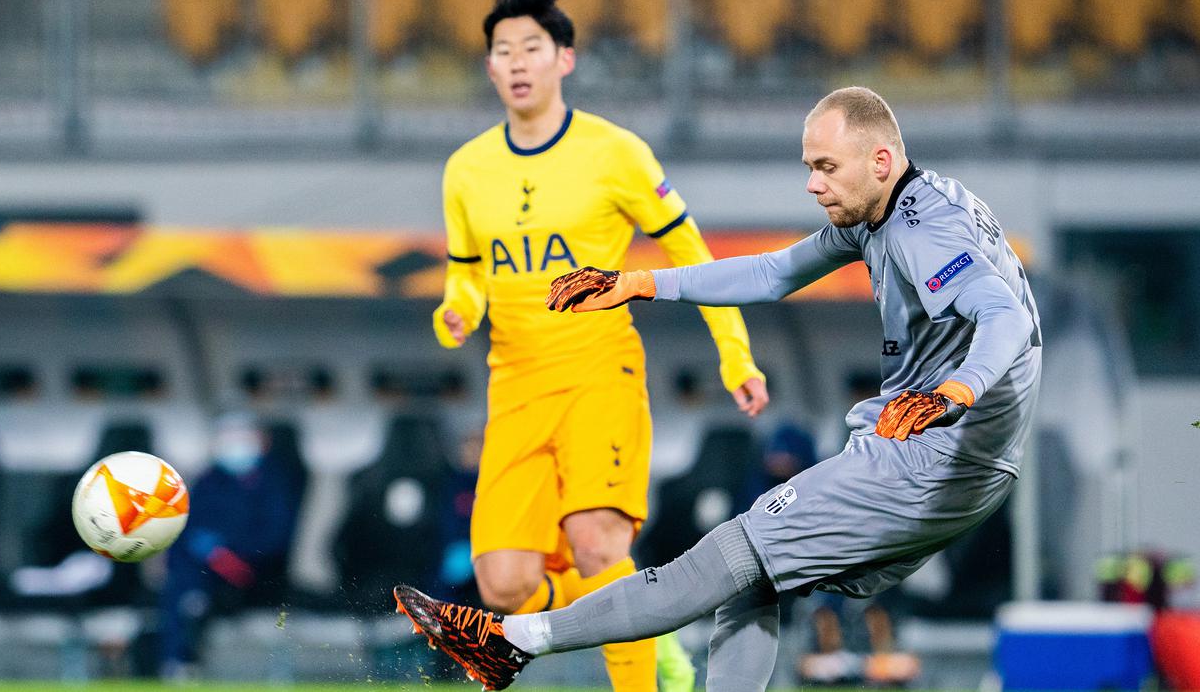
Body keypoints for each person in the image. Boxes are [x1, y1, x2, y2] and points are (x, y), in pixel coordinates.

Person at [394, 85, 1042, 692]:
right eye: (807, 166)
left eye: (824, 166)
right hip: (946, 458)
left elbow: (1004, 316)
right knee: (749, 580)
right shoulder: (898, 205)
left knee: (731, 551)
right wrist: (641, 283)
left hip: (930, 455)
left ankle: (514, 640)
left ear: (879, 159)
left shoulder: (920, 228)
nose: (812, 184)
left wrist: (954, 391)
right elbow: (773, 271)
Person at [427, 0, 768, 691]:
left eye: (531, 48)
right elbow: (466, 275)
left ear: (565, 59)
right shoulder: (465, 170)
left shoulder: (616, 153)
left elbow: (693, 257)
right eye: (502, 51)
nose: (516, 62)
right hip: (514, 387)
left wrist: (734, 352)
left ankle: (643, 677)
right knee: (503, 585)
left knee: (595, 541)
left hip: (596, 373)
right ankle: (644, 625)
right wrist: (453, 310)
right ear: (489, 68)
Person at [159, 411, 297, 680]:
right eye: (227, 438)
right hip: (207, 574)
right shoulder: (209, 481)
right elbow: (186, 532)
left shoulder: (276, 483)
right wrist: (208, 553)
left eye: (242, 437)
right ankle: (178, 664)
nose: (235, 445)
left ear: (261, 440)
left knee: (197, 588)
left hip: (257, 575)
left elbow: (276, 539)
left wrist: (229, 550)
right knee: (182, 585)